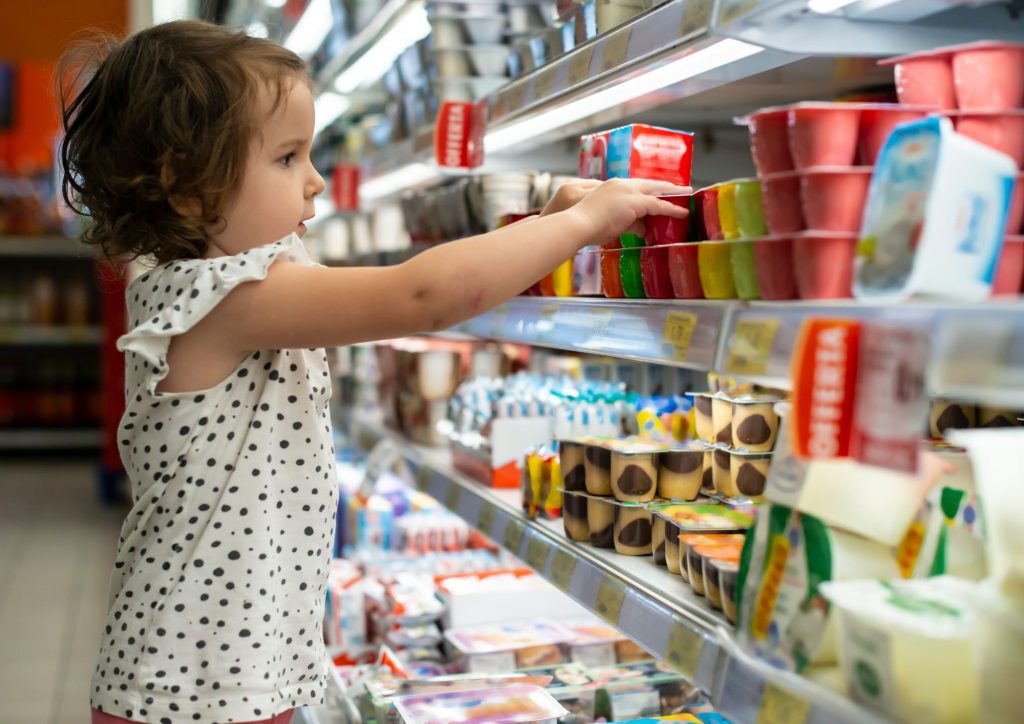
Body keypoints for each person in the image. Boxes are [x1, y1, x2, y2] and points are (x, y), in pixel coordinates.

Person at [59, 19, 688, 724]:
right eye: (287, 158)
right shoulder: (219, 298)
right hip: (194, 688)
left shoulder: (239, 285)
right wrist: (578, 226)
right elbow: (421, 294)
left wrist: (541, 224)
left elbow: (424, 283)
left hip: (230, 671)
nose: (315, 181)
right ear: (185, 188)